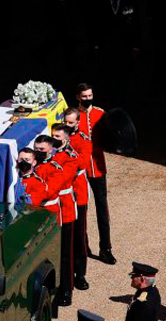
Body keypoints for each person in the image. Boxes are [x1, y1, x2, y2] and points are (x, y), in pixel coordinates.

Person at [74, 84, 115, 264]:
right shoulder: (73, 115)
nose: (88, 98)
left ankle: (105, 248)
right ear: (78, 97)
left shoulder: (100, 113)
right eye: (84, 96)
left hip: (97, 166)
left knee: (102, 210)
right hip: (80, 169)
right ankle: (83, 245)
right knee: (81, 209)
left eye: (90, 95)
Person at [33, 135, 73, 306]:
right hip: (36, 214)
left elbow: (49, 191)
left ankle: (65, 290)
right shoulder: (32, 163)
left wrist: (28, 196)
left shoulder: (55, 167)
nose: (38, 152)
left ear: (50, 149)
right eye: (36, 149)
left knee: (62, 254)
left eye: (42, 150)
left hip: (51, 212)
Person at [62, 108, 93, 289]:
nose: (68, 126)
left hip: (77, 192)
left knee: (79, 235)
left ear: (78, 123)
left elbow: (82, 162)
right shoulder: (58, 138)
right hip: (64, 193)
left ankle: (80, 273)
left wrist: (66, 150)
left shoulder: (83, 140)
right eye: (66, 122)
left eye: (71, 123)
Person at [51, 124, 83, 292]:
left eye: (57, 137)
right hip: (51, 205)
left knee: (66, 252)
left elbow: (62, 179)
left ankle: (66, 289)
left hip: (65, 205)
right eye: (53, 136)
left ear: (65, 138)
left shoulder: (71, 156)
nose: (54, 139)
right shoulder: (50, 153)